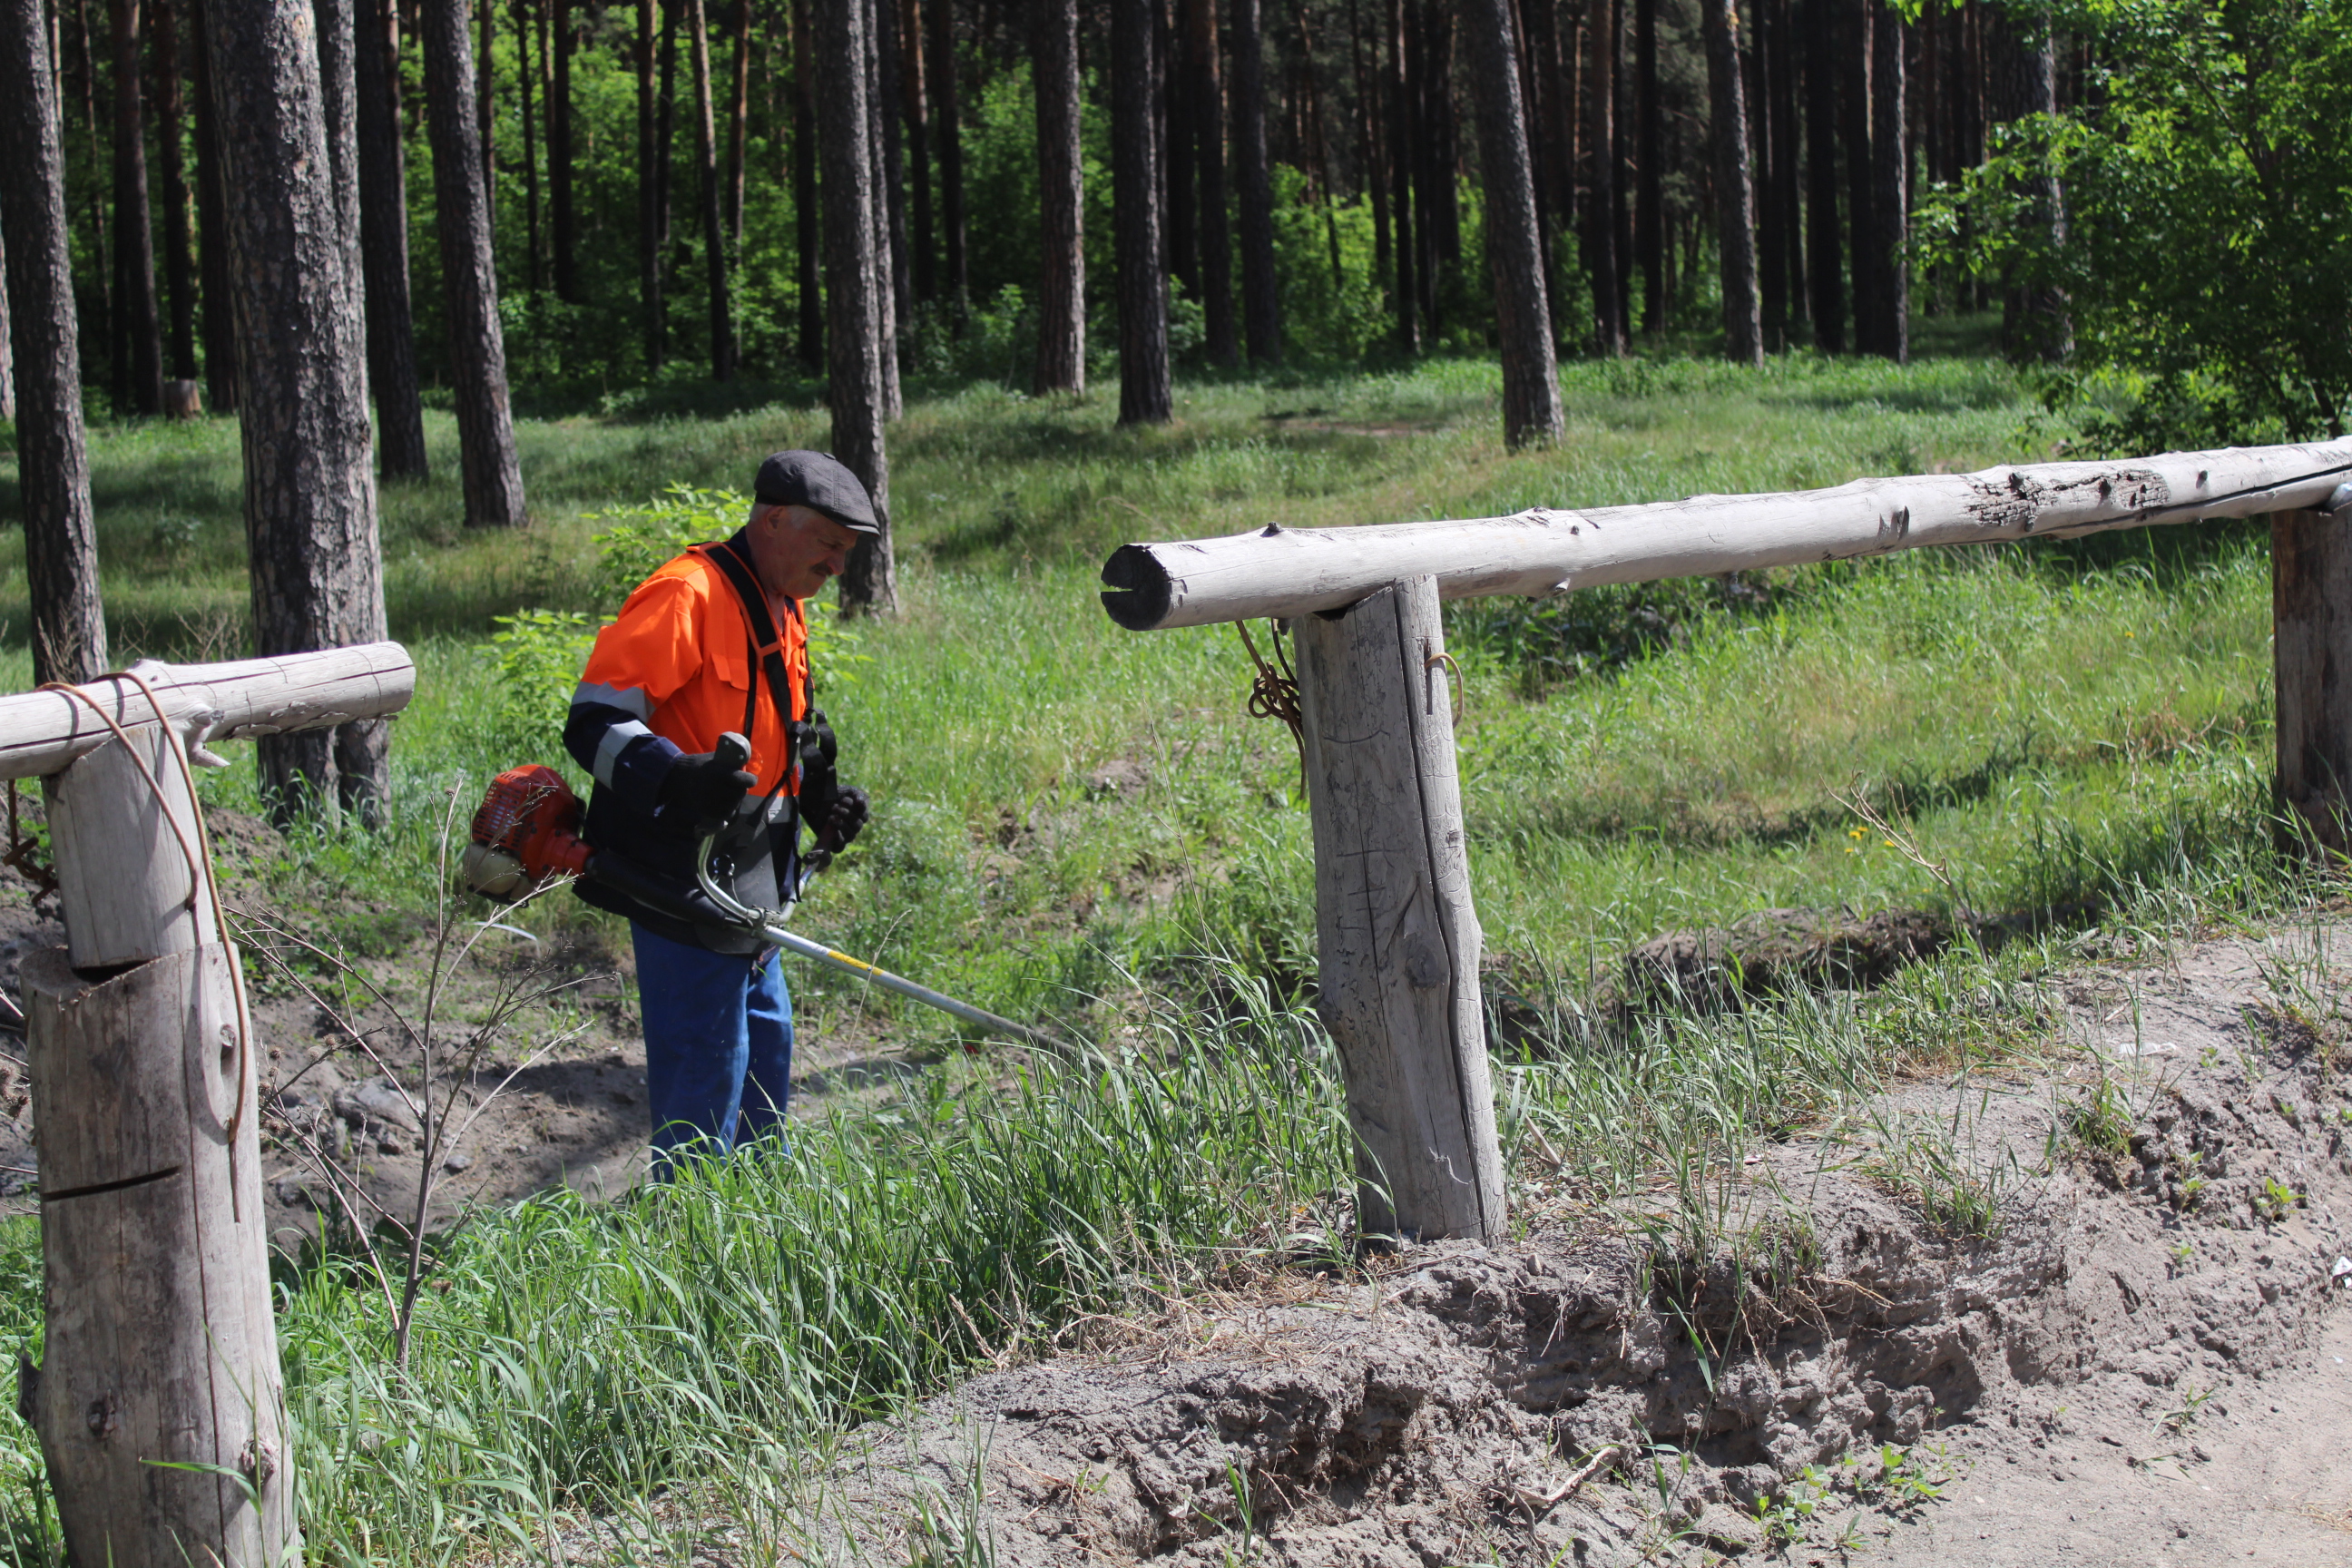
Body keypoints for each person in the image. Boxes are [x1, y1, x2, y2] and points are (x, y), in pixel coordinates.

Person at [564, 450, 875, 1166]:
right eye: (829, 548)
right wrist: (674, 778)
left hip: (755, 886)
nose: (836, 570)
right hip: (685, 884)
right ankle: (692, 1237)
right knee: (706, 1082)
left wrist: (819, 796)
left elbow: (781, 721)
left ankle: (758, 1221)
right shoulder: (688, 595)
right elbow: (591, 723)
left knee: (768, 1059)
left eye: (845, 554)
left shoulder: (782, 601)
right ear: (773, 521)